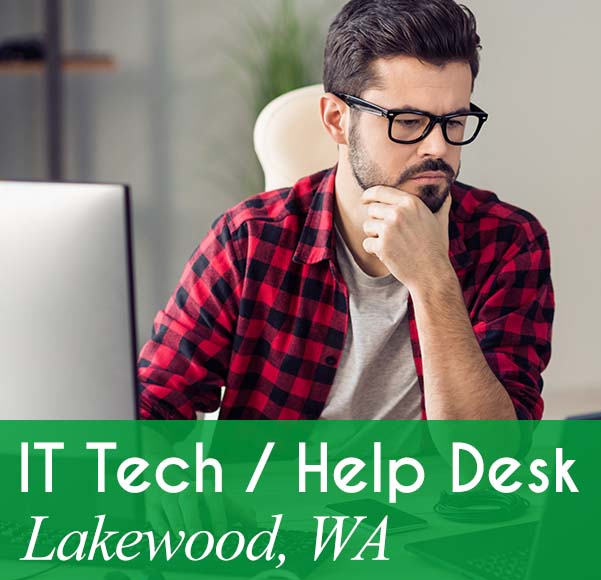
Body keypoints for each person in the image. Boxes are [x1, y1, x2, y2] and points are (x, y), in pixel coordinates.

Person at [137, 0, 554, 421]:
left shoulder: (508, 242)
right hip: (275, 485)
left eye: (455, 121)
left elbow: (489, 459)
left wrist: (433, 282)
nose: (439, 148)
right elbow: (152, 406)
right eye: (408, 122)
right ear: (337, 119)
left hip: (429, 489)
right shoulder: (249, 241)